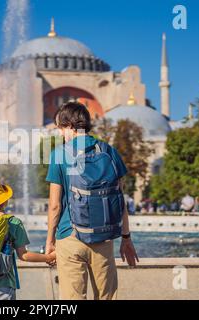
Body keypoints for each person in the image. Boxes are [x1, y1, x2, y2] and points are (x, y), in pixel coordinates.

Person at [45, 102, 138, 300]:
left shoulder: (59, 154)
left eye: (60, 129)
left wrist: (50, 240)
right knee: (106, 296)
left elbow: (55, 205)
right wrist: (126, 238)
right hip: (102, 238)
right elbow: (119, 199)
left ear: (70, 126)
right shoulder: (109, 151)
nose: (60, 135)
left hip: (69, 236)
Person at [0, 178, 56, 300]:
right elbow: (24, 255)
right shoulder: (13, 222)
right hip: (2, 287)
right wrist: (49, 257)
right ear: (3, 200)